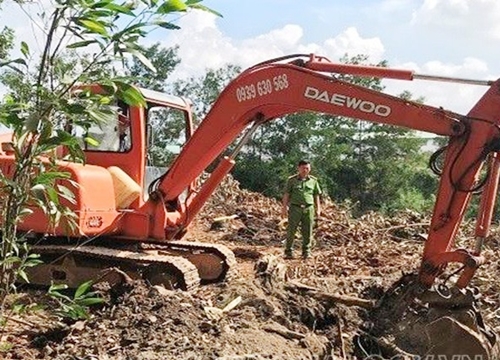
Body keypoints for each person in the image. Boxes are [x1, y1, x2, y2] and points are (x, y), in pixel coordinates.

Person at [281, 160, 322, 259]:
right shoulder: (292, 180)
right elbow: (287, 194)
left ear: (310, 169)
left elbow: (316, 195)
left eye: (307, 168)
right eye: (303, 168)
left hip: (309, 208)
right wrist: (284, 208)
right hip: (295, 208)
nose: (305, 170)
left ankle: (306, 252)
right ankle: (288, 252)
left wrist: (318, 209)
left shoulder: (313, 181)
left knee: (308, 231)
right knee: (291, 230)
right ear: (298, 168)